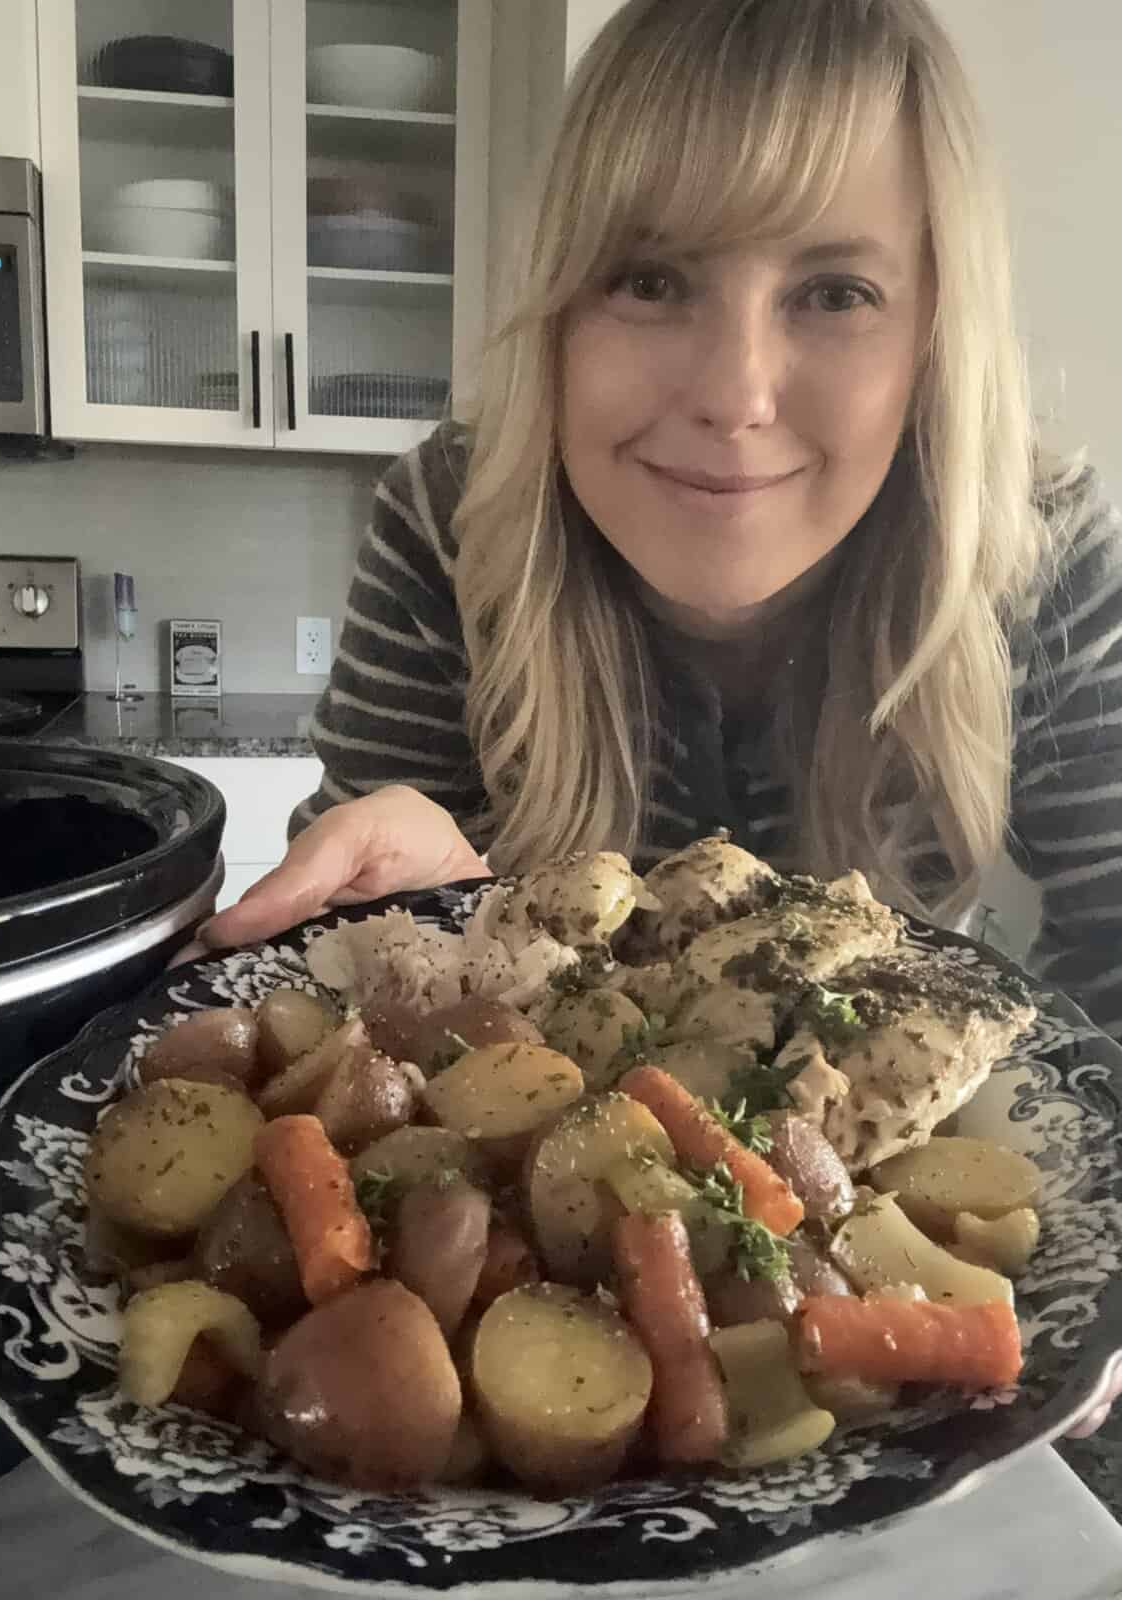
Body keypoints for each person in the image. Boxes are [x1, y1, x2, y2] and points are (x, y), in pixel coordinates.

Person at [195, 0, 1121, 1434]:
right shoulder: (449, 522)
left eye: (833, 293)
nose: (734, 395)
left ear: (936, 324)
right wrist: (408, 923)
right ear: (560, 302)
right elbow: (349, 1059)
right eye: (649, 278)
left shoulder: (1049, 553)